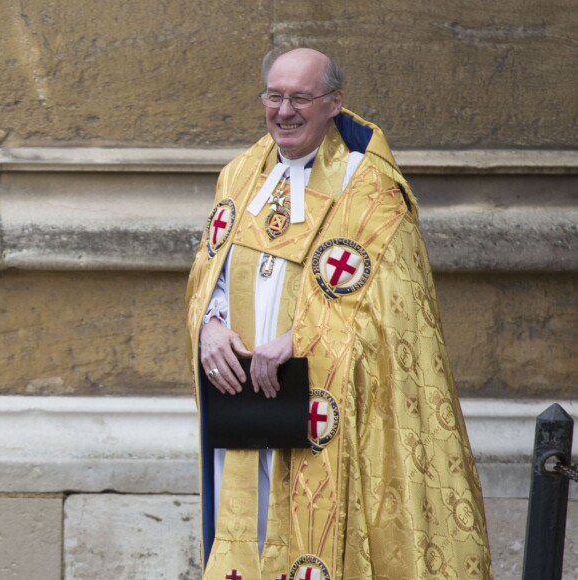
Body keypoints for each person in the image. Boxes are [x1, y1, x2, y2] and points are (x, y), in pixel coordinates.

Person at [186, 47, 493, 580]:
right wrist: (210, 326)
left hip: (324, 407)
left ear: (334, 102)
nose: (284, 111)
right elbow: (211, 271)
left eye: (300, 98)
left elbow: (391, 309)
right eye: (274, 96)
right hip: (242, 402)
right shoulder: (239, 175)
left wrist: (301, 338)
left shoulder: (370, 188)